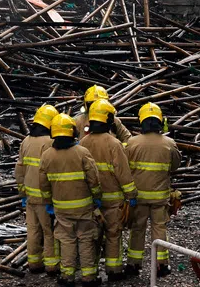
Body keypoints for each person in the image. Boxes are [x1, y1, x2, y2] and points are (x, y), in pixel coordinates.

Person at [39, 113, 102, 286]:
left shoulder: (46, 155)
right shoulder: (82, 152)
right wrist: (97, 197)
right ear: (72, 132)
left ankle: (67, 276)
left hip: (61, 208)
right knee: (86, 239)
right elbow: (93, 179)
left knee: (66, 241)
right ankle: (88, 277)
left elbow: (43, 184)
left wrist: (48, 203)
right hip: (84, 207)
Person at [79, 99, 137, 281]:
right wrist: (131, 195)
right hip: (113, 202)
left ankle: (90, 273)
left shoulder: (82, 143)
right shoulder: (114, 144)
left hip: (91, 202)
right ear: (109, 120)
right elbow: (123, 173)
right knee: (113, 235)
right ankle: (114, 270)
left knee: (92, 238)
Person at [125, 102, 181, 277]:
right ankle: (162, 265)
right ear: (160, 122)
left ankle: (133, 265)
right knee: (159, 229)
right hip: (159, 197)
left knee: (137, 229)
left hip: (138, 197)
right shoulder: (169, 143)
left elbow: (124, 168)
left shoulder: (131, 143)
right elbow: (175, 166)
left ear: (141, 121)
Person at [15, 104, 60, 274]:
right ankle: (51, 265)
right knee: (49, 231)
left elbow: (19, 169)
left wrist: (22, 192)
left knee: (33, 230)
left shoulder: (26, 141)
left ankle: (34, 263)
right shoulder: (49, 143)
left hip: (30, 196)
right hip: (44, 197)